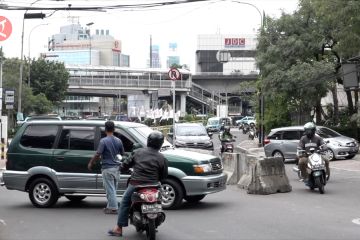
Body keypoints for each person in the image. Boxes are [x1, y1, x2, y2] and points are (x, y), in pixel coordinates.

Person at [108, 131, 168, 237]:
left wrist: (121, 168)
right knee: (159, 200)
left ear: (148, 141)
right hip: (154, 185)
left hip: (136, 184)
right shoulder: (162, 157)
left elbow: (125, 165)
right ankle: (155, 221)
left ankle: (118, 228)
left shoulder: (137, 152)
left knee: (125, 202)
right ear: (161, 143)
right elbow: (163, 176)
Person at [88, 121, 124, 214]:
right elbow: (122, 154)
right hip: (117, 168)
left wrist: (91, 163)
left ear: (105, 129)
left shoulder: (103, 141)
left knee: (110, 189)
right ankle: (110, 206)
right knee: (113, 189)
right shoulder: (119, 141)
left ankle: (113, 208)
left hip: (107, 168)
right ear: (114, 129)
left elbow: (98, 153)